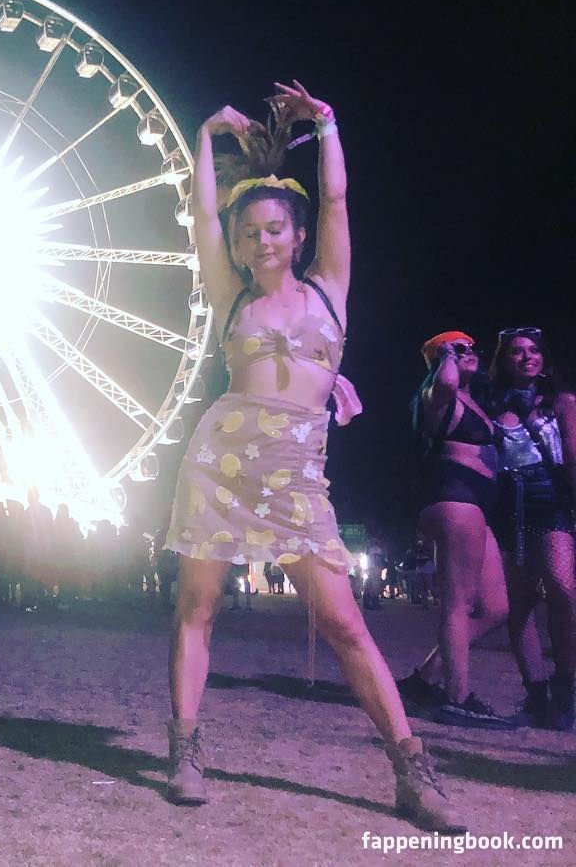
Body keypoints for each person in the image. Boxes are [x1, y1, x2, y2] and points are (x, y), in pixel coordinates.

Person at [163, 83, 462, 832]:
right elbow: (201, 213)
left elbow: (336, 200)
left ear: (297, 236)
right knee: (198, 607)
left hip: (297, 472)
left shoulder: (330, 292)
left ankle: (411, 768)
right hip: (221, 464)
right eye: (248, 233)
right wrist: (205, 135)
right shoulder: (230, 298)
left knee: (344, 622)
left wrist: (326, 123)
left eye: (274, 229)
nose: (261, 241)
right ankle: (185, 751)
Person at [398, 332, 512, 729]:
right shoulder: (436, 395)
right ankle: (457, 698)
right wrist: (446, 355)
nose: (469, 353)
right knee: (458, 605)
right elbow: (445, 381)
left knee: (496, 609)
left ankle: (423, 680)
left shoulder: (470, 398)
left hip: (477, 506)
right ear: (438, 358)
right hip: (453, 499)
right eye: (457, 348)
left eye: (471, 347)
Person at [489, 328, 575, 730]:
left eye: (534, 350)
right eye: (517, 351)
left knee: (562, 589)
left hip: (552, 502)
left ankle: (566, 688)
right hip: (509, 507)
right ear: (503, 360)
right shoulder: (492, 405)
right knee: (519, 603)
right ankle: (537, 695)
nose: (527, 357)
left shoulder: (561, 402)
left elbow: (572, 458)